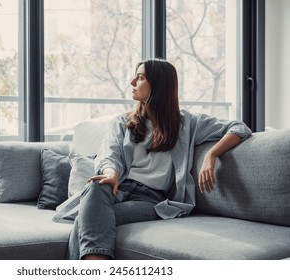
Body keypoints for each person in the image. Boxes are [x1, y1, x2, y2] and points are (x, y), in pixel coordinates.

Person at [57, 58, 252, 260]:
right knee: (95, 187)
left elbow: (239, 128)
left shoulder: (187, 123)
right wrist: (111, 174)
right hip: (118, 189)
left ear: (158, 84)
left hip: (150, 200)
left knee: (86, 219)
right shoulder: (122, 122)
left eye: (140, 77)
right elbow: (110, 155)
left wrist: (211, 154)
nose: (132, 82)